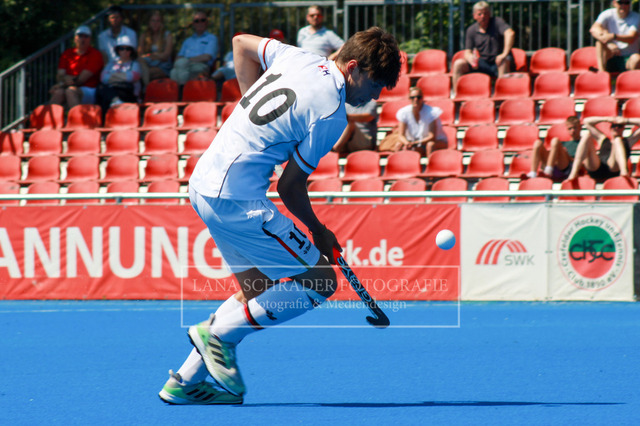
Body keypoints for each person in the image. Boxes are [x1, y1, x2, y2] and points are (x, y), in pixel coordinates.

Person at [158, 27, 401, 405]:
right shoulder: (332, 114)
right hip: (237, 199)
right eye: (374, 84)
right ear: (353, 67)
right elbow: (290, 187)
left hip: (202, 185)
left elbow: (240, 43)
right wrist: (319, 230)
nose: (375, 96)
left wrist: (250, 108)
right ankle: (216, 334)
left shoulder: (298, 56)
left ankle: (185, 381)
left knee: (256, 291)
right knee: (321, 281)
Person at [452, 1, 515, 90]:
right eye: (480, 14)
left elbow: (510, 33)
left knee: (503, 61)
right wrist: (471, 59)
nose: (483, 16)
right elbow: (467, 52)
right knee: (458, 64)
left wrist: (504, 54)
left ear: (489, 14)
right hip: (484, 63)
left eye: (485, 13)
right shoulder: (471, 30)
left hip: (499, 62)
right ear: (474, 16)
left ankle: (502, 93)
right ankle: (457, 94)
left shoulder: (497, 22)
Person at [378, 87, 448, 156]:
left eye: (418, 97)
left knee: (430, 145)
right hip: (415, 142)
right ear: (409, 99)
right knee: (399, 145)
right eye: (412, 97)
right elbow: (401, 135)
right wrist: (407, 143)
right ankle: (397, 162)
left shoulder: (431, 112)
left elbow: (432, 136)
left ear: (422, 98)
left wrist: (416, 143)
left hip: (434, 142)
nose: (415, 99)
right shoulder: (404, 112)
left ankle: (431, 162)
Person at [567, 116, 640, 181]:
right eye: (614, 126)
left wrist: (626, 120)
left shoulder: (628, 141)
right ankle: (573, 173)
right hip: (598, 168)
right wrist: (607, 119)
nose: (616, 128)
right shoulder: (603, 139)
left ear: (623, 129)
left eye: (619, 126)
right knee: (586, 137)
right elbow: (586, 122)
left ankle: (624, 172)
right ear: (610, 128)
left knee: (617, 140)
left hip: (614, 169)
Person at [49, 25, 104, 109]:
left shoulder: (95, 54)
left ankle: (78, 117)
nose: (83, 39)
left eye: (86, 36)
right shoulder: (67, 53)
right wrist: (62, 83)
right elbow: (60, 76)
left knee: (70, 91)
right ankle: (48, 117)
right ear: (75, 38)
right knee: (58, 93)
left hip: (90, 90)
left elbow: (80, 79)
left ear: (90, 39)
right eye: (80, 36)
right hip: (68, 87)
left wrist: (61, 84)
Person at [169, 11, 219, 85]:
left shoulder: (212, 38)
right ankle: (183, 89)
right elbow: (178, 57)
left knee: (180, 70)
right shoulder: (187, 40)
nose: (200, 23)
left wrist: (186, 60)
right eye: (196, 21)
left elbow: (207, 57)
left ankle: (182, 89)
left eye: (202, 20)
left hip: (201, 66)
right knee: (173, 72)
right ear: (193, 24)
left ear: (206, 22)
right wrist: (184, 62)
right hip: (184, 65)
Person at [590, 0, 640, 72]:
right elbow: (594, 29)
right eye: (620, 2)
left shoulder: (636, 17)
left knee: (636, 58)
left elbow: (631, 38)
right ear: (614, 3)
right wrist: (608, 43)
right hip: (610, 56)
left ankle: (630, 78)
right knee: (599, 43)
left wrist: (614, 36)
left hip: (628, 57)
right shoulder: (607, 13)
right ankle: (601, 73)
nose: (623, 5)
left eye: (626, 3)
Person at [96, 36, 142, 114]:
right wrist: (123, 76)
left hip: (128, 93)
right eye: (121, 48)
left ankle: (116, 102)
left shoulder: (135, 64)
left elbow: (132, 77)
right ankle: (116, 102)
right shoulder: (111, 64)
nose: (124, 51)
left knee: (107, 93)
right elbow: (103, 78)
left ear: (131, 51)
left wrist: (113, 75)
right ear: (117, 50)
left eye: (128, 49)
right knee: (100, 88)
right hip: (111, 90)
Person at [138, 11, 174, 84]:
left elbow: (166, 56)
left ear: (161, 23)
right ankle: (147, 87)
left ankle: (146, 88)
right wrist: (155, 56)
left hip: (163, 66)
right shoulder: (144, 35)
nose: (155, 23)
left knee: (143, 72)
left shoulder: (167, 35)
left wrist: (151, 56)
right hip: (147, 64)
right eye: (153, 21)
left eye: (158, 21)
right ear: (149, 22)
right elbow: (140, 56)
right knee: (140, 64)